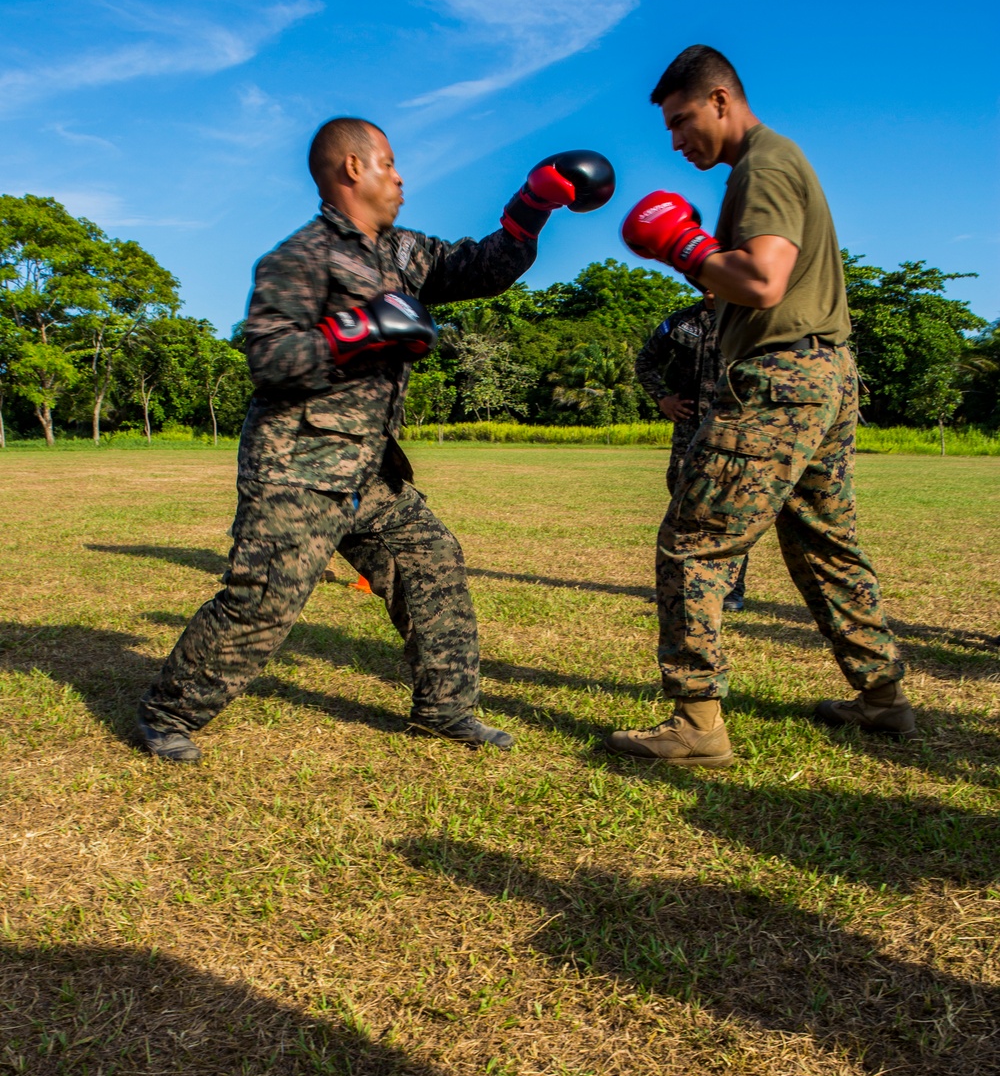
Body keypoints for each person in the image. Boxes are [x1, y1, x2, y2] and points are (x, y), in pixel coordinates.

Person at [137, 119, 614, 762]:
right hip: (299, 466)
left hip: (369, 468)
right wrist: (356, 331)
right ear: (353, 169)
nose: (400, 177)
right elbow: (268, 358)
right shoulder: (297, 258)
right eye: (389, 163)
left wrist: (533, 207)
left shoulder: (405, 252)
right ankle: (170, 712)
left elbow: (483, 268)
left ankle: (446, 711)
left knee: (431, 560)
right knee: (264, 601)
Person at [606, 45, 911, 767]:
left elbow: (763, 280)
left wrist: (680, 245)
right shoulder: (775, 161)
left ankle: (697, 722)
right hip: (827, 374)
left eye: (682, 122)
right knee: (825, 545)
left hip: (780, 380)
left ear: (720, 100)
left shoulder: (763, 165)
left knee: (693, 539)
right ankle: (882, 696)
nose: (677, 142)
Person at [635, 291, 749, 612]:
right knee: (683, 504)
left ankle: (731, 590)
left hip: (733, 426)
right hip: (688, 427)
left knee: (729, 505)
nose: (710, 285)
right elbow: (645, 360)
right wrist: (662, 398)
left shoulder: (746, 317)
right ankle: (678, 585)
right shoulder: (681, 322)